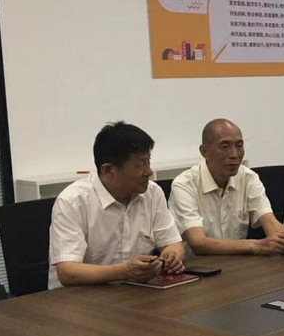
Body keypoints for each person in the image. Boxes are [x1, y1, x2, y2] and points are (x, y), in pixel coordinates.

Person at [48, 121, 184, 288]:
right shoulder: (72, 201)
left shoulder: (152, 193)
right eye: (139, 165)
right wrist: (125, 271)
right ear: (108, 170)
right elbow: (68, 272)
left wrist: (172, 257)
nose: (149, 171)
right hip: (78, 297)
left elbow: (172, 242)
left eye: (148, 162)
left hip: (135, 292)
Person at [169, 119, 284, 257]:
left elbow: (269, 220)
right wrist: (256, 245)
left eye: (239, 146)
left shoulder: (248, 178)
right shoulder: (184, 184)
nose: (234, 155)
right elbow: (198, 243)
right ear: (204, 151)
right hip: (200, 266)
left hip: (238, 262)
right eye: (225, 146)